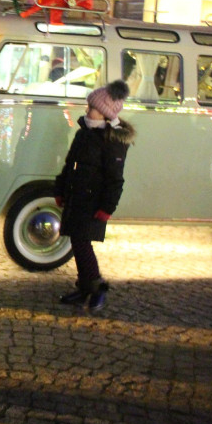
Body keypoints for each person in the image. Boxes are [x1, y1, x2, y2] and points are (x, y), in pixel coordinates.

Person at [53, 80, 135, 313]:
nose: (87, 110)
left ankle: (96, 287)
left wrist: (107, 208)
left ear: (105, 113)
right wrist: (60, 189)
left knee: (82, 243)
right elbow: (70, 164)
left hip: (92, 202)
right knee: (78, 243)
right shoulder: (84, 133)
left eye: (92, 107)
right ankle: (85, 287)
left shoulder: (112, 141)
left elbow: (115, 179)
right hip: (76, 197)